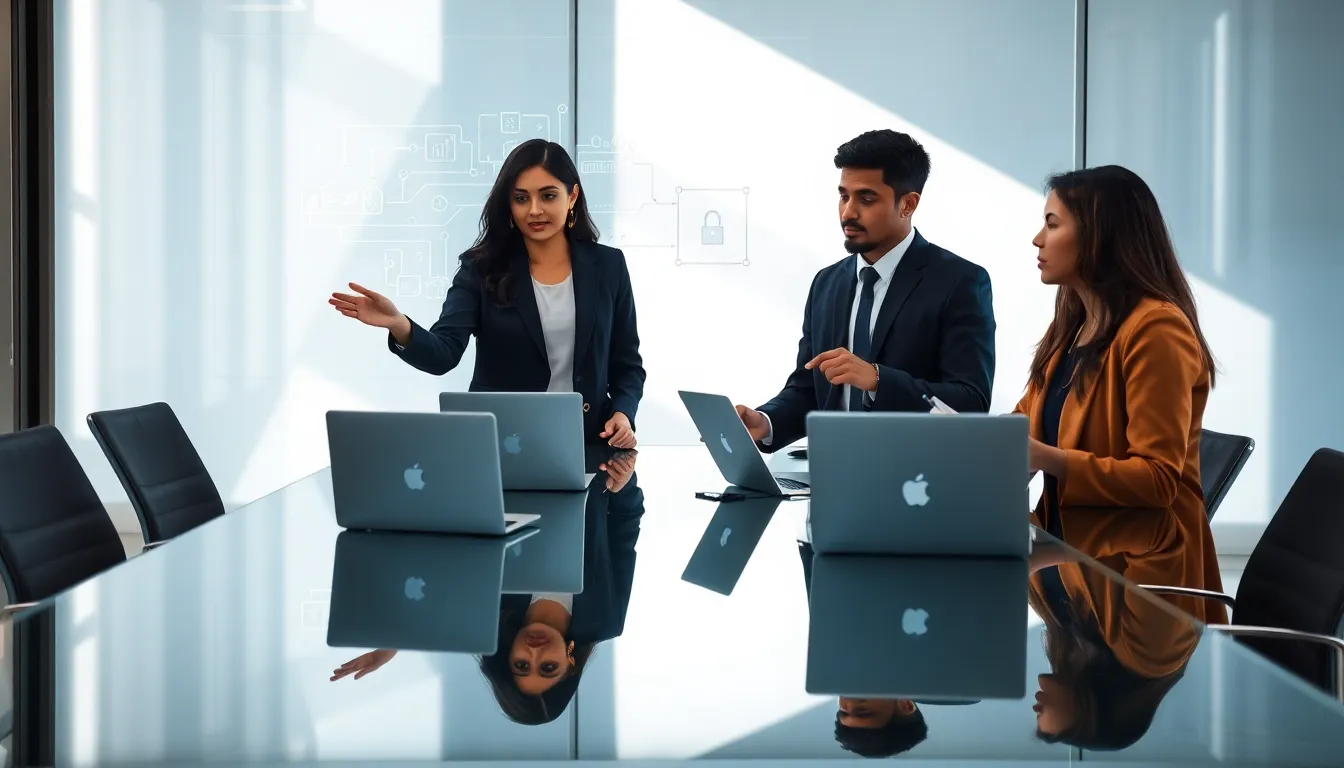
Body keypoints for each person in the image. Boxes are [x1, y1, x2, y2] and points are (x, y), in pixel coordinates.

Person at [330, 139, 645, 448]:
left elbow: (627, 364)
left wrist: (623, 413)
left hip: (589, 441)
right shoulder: (481, 268)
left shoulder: (608, 266)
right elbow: (444, 353)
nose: (535, 210)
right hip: (502, 443)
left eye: (548, 196)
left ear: (572, 195)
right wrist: (399, 325)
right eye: (521, 198)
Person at [1013, 165, 1224, 612]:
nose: (1037, 239)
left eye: (1052, 224)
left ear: (1098, 236)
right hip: (1074, 561)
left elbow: (1158, 480)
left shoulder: (1157, 328)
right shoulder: (1073, 325)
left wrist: (1039, 456)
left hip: (1142, 585)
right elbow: (1023, 425)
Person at [332, 448, 644, 725]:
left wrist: (392, 643)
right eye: (548, 666)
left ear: (507, 661)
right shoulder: (605, 618)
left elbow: (443, 575)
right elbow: (625, 523)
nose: (533, 652)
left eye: (522, 665)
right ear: (570, 664)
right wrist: (625, 480)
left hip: (514, 458)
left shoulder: (492, 611)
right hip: (586, 452)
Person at [734, 129, 996, 450]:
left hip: (917, 483)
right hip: (832, 476)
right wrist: (765, 421)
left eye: (866, 199)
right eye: (844, 196)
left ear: (908, 204)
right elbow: (808, 389)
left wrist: (877, 380)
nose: (848, 213)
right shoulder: (826, 283)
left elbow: (970, 402)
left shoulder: (960, 281)